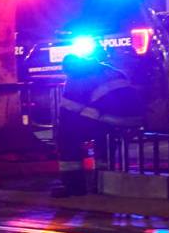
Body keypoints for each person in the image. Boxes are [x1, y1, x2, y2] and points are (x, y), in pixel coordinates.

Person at [53, 54, 144, 197]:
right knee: (102, 141)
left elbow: (69, 107)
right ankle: (103, 180)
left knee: (68, 136)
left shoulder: (77, 77)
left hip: (109, 119)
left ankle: (73, 185)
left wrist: (60, 135)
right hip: (133, 119)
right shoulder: (111, 70)